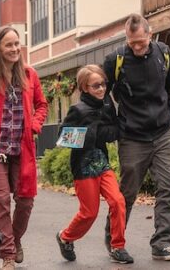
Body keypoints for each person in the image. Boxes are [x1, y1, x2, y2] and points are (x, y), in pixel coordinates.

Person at [103, 13, 170, 261]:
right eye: (132, 42)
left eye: (141, 41)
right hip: (132, 136)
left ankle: (162, 243)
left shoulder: (163, 53)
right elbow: (100, 93)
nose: (137, 47)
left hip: (163, 132)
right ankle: (114, 239)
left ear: (150, 34)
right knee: (126, 193)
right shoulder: (114, 60)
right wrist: (113, 124)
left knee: (168, 186)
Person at [0, 26, 48, 270]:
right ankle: (8, 256)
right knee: (1, 200)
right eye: (9, 45)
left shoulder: (29, 74)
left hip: (22, 149)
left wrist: (34, 126)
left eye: (17, 44)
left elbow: (42, 105)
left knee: (26, 201)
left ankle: (13, 240)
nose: (15, 49)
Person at [56, 65, 133, 264]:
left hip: (102, 163)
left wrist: (102, 131)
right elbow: (63, 138)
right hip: (83, 166)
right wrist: (91, 131)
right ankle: (65, 237)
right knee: (89, 213)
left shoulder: (107, 104)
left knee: (118, 201)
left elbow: (115, 129)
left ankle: (118, 246)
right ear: (84, 88)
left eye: (103, 84)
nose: (101, 89)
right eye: (95, 86)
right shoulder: (77, 110)